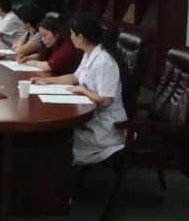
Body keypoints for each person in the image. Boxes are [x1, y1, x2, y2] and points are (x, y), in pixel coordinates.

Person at [30, 13, 127, 165]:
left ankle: (53, 173)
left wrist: (83, 90)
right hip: (90, 119)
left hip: (106, 128)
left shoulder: (104, 62)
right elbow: (74, 77)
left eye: (72, 34)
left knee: (59, 145)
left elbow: (106, 100)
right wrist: (46, 81)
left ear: (80, 37)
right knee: (54, 137)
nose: (70, 37)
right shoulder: (89, 55)